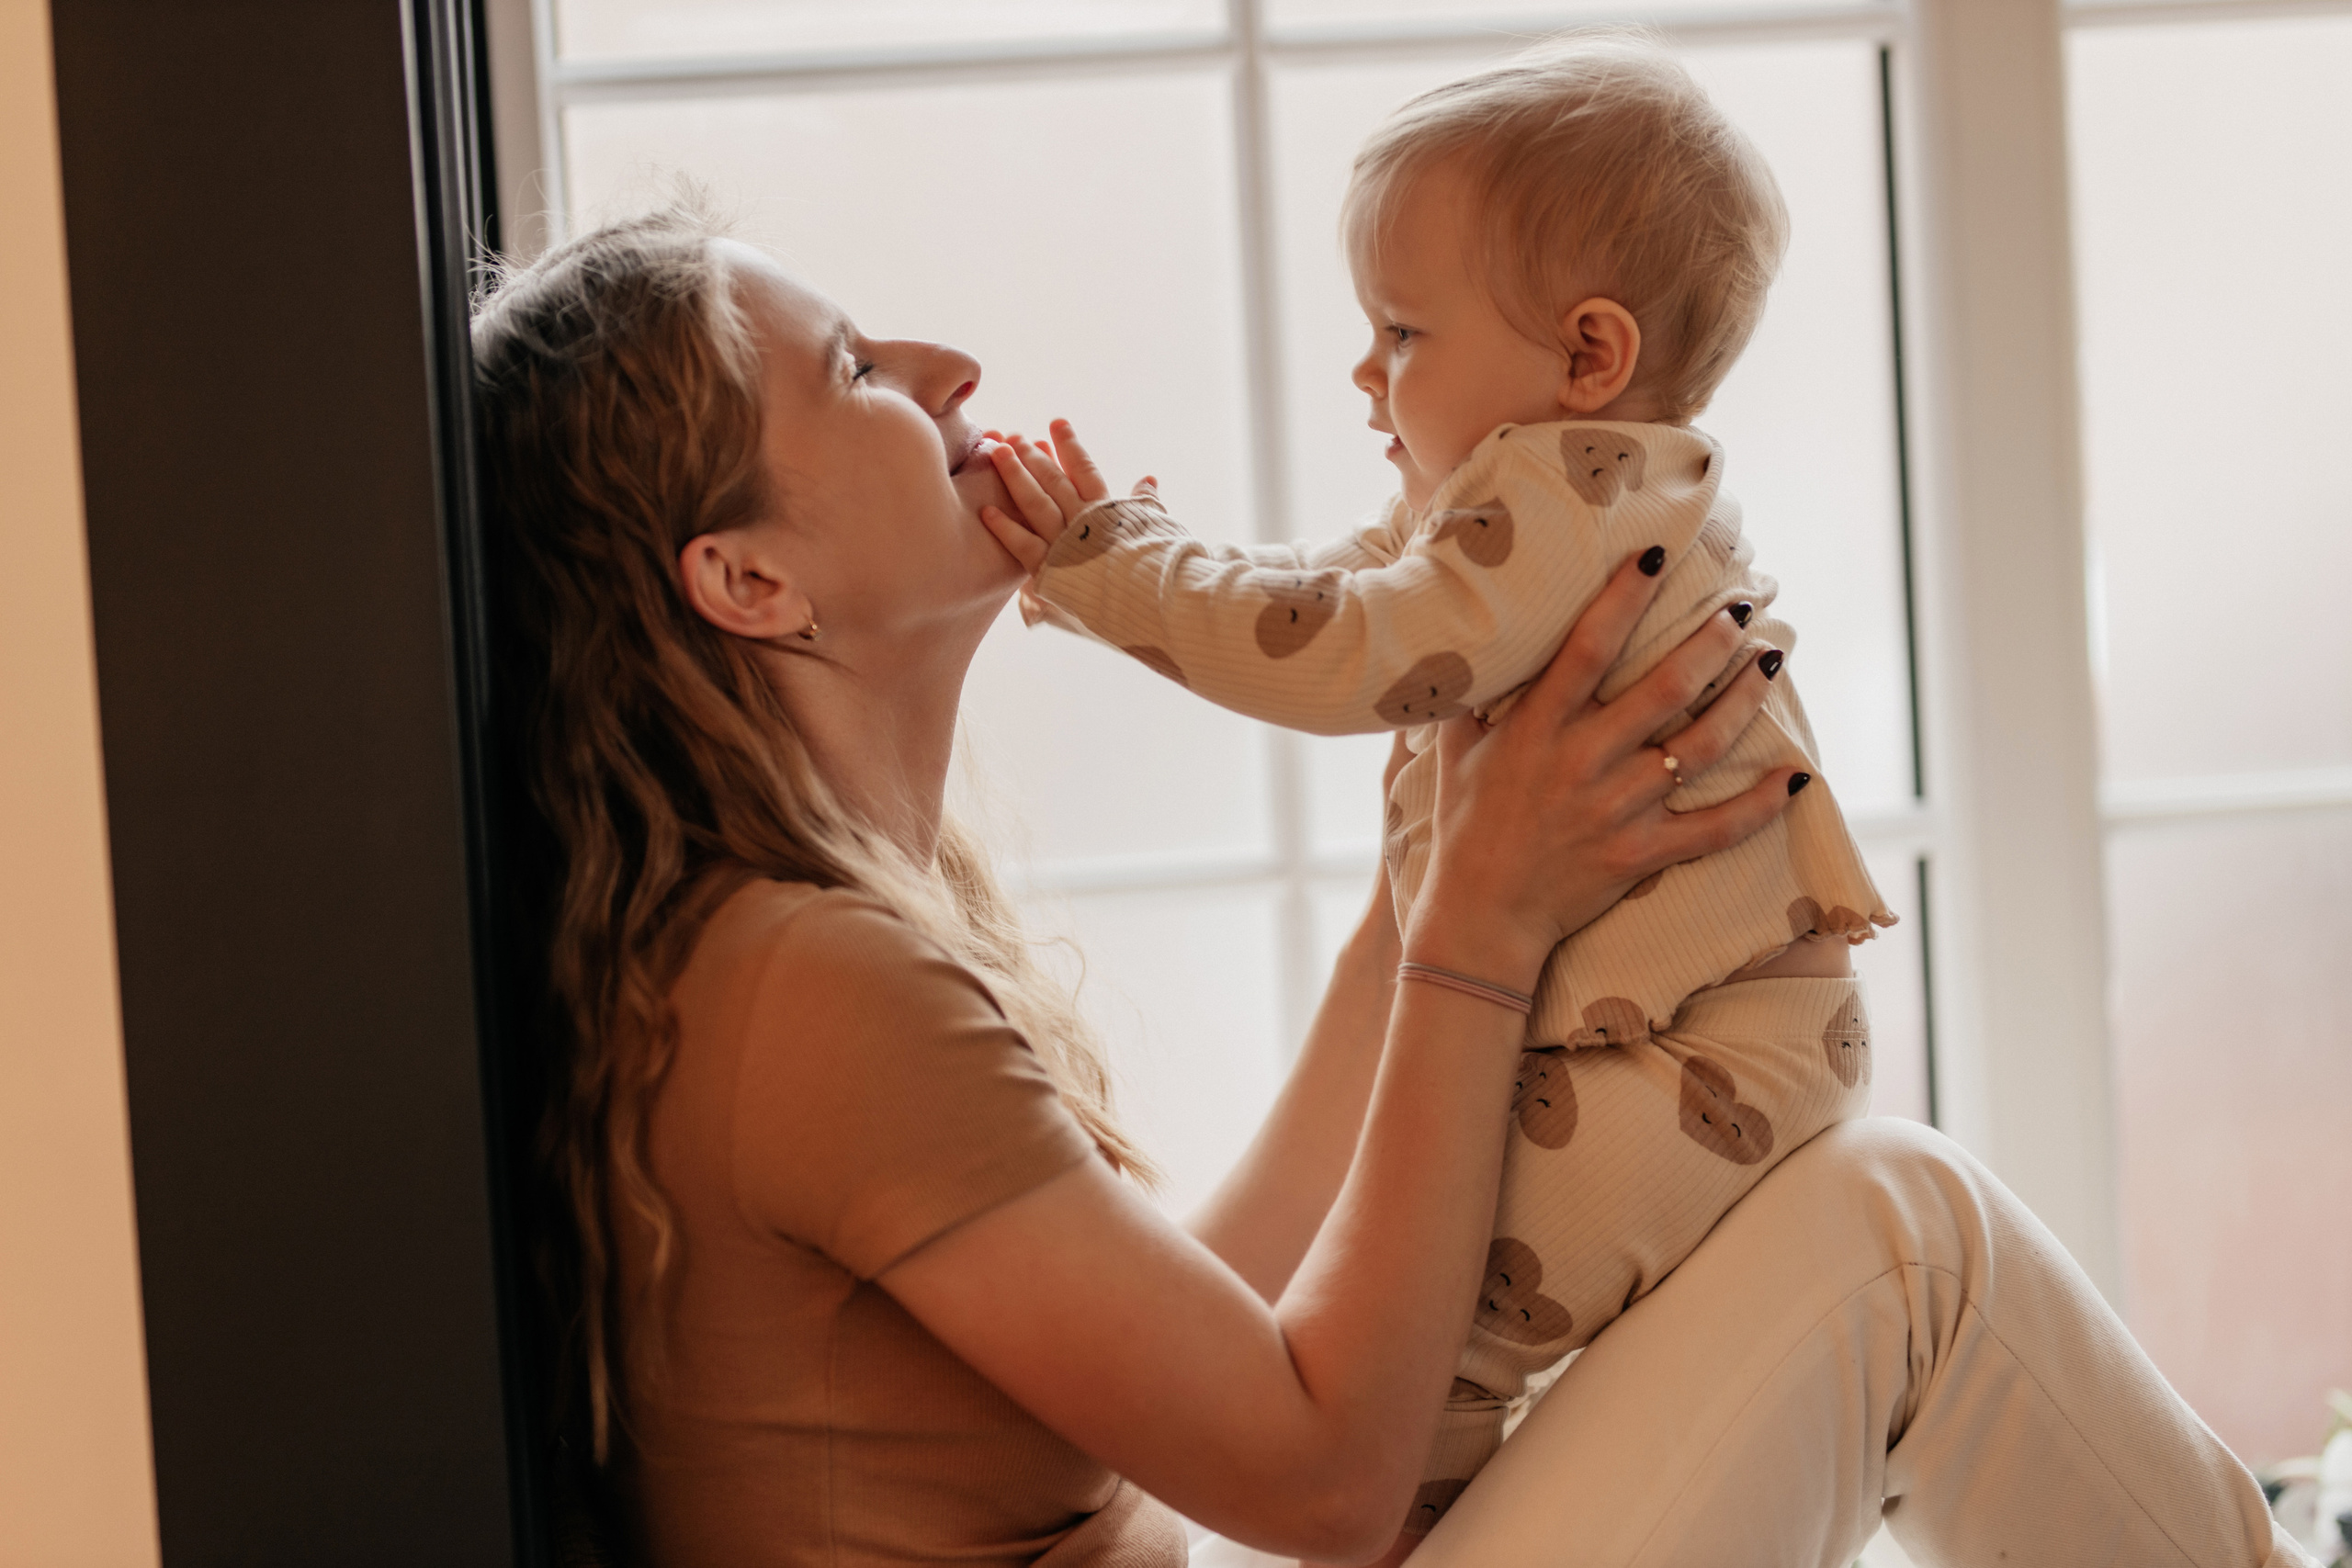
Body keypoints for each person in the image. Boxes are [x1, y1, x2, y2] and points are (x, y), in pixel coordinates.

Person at [468, 206, 2313, 1568]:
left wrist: (1423, 867)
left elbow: (1193, 1312)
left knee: (1895, 1225)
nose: (947, 371)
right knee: (1903, 1235)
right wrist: (1473, 938)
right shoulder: (810, 979)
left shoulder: (805, 929)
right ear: (746, 583)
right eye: (855, 371)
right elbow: (1319, 1477)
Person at [975, 33, 1887, 1521]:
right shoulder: (1542, 498)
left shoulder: (1572, 493)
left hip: (1711, 1057)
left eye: (1401, 331)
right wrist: (1142, 575)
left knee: (1432, 1326)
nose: (1365, 369)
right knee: (1396, 1261)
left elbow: (1348, 653)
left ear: (1589, 357)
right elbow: (1327, 592)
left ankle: (1410, 1544)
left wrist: (1119, 575)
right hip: (1702, 1041)